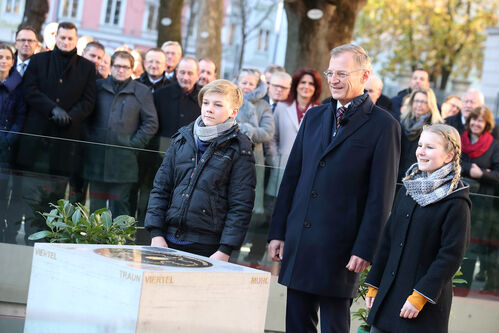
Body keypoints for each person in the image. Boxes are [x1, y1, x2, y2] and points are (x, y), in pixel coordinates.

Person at [268, 44, 400, 333]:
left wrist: (365, 248)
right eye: (330, 73)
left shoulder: (383, 125)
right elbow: (291, 178)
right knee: (296, 325)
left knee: (333, 327)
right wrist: (278, 231)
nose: (334, 80)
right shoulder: (314, 117)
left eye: (342, 73)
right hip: (301, 241)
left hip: (342, 249)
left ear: (364, 75)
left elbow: (381, 197)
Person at [365, 124, 471, 333]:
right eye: (420, 145)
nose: (420, 151)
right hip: (388, 299)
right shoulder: (409, 187)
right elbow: (388, 239)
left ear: (449, 156)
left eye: (429, 147)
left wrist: (419, 297)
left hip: (421, 309)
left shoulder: (456, 200)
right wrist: (374, 284)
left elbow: (451, 255)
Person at [145, 79, 256, 261]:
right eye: (206, 103)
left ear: (233, 112)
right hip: (168, 240)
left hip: (208, 247)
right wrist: (156, 233)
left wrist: (225, 250)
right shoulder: (182, 138)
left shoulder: (239, 148)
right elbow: (161, 188)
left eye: (218, 105)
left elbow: (241, 205)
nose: (209, 109)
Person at [17, 22, 96, 241]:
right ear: (56, 38)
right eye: (62, 38)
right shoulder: (39, 60)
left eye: (70, 39)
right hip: (36, 141)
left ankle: (50, 238)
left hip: (66, 142)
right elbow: (29, 90)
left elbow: (88, 102)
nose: (66, 42)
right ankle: (29, 237)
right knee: (31, 193)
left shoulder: (87, 67)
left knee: (56, 195)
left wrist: (69, 115)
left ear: (76, 40)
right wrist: (53, 108)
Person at [83, 51, 158, 217]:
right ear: (111, 67)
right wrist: (91, 140)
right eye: (117, 66)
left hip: (124, 162)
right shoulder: (98, 86)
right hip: (97, 159)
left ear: (132, 69)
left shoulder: (142, 91)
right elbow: (85, 115)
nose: (121, 70)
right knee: (96, 209)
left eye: (125, 67)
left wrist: (133, 144)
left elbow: (151, 123)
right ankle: (94, 242)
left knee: (120, 210)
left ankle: (118, 243)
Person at [459, 106, 499, 292]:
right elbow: (453, 161)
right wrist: (473, 170)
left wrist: (481, 173)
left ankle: (464, 285)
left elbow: (497, 174)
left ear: (487, 124)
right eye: (474, 119)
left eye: (480, 120)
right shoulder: (459, 138)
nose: (476, 123)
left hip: (482, 205)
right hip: (459, 198)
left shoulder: (494, 145)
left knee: (472, 243)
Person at [236, 68, 274, 215]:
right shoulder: (229, 100)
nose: (246, 86)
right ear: (237, 82)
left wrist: (246, 129)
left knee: (248, 202)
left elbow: (268, 132)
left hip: (254, 157)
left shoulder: (263, 106)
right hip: (228, 153)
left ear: (257, 86)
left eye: (251, 83)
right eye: (243, 82)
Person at [0, 44, 26, 243]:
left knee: (3, 194)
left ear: (12, 61)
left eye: (7, 57)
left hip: (6, 149)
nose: (3, 61)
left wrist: (8, 139)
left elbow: (20, 117)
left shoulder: (18, 87)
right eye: (0, 57)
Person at [272, 68, 321, 169]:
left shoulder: (321, 111)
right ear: (296, 85)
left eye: (311, 83)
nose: (306, 86)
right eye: (303, 82)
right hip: (281, 167)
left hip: (307, 168)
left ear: (316, 87)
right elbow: (273, 137)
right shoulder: (281, 107)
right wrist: (275, 161)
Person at [153, 56, 201, 150]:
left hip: (191, 154)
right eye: (182, 72)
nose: (185, 77)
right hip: (161, 152)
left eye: (190, 73)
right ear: (176, 73)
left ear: (198, 75)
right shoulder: (160, 95)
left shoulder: (203, 100)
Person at [398, 88, 443, 181]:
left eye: (423, 102)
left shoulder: (436, 128)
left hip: (422, 177)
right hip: (398, 174)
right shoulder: (401, 122)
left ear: (430, 105)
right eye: (416, 101)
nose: (419, 105)